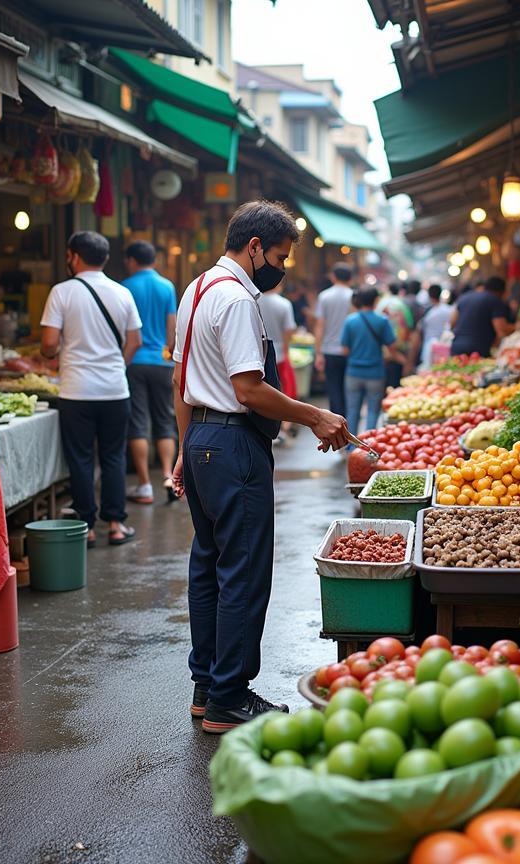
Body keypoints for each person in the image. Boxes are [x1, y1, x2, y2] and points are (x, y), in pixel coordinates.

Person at [171, 201, 347, 733]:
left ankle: (207, 688)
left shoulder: (195, 290)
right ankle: (229, 698)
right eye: (279, 256)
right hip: (233, 446)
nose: (282, 268)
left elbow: (181, 379)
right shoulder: (238, 300)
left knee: (208, 567)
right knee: (243, 572)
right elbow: (248, 389)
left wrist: (185, 448)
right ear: (253, 248)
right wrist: (314, 415)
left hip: (204, 438)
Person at [41, 232, 142, 548]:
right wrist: (116, 367)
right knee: (113, 457)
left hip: (76, 391)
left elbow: (48, 344)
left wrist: (53, 354)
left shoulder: (61, 292)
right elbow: (135, 341)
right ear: (106, 259)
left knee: (81, 459)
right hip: (115, 389)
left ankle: (86, 527)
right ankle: (115, 524)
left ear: (73, 256)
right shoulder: (122, 292)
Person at [121, 240, 178, 506]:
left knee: (139, 423)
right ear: (154, 260)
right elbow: (172, 328)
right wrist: (169, 353)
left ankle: (144, 485)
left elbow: (125, 330)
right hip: (161, 362)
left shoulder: (125, 287)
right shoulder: (167, 286)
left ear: (132, 261)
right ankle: (168, 476)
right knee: (165, 420)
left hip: (133, 361)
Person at [341, 286, 398, 436]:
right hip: (375, 373)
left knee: (353, 410)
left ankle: (351, 447)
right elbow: (392, 345)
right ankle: (368, 446)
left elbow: (345, 350)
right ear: (376, 300)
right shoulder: (382, 321)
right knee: (373, 410)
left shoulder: (350, 321)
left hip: (353, 372)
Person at [259, 279, 298, 440]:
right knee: (285, 390)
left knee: (262, 391)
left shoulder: (253, 300)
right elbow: (289, 330)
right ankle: (283, 427)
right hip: (280, 354)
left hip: (258, 354)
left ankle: (266, 425)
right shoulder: (284, 304)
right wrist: (286, 349)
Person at [313, 263, 354, 418]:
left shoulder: (324, 296)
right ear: (350, 278)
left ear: (333, 277)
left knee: (334, 389)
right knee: (348, 389)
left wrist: (318, 352)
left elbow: (320, 325)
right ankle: (349, 424)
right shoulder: (353, 295)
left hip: (329, 350)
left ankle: (337, 425)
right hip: (349, 350)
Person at [448, 277, 514, 357]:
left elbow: (452, 323)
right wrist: (516, 327)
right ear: (501, 291)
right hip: (478, 350)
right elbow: (501, 330)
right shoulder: (495, 300)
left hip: (457, 346)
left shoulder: (464, 297)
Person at [377, 282, 413, 389]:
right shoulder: (401, 305)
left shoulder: (380, 303)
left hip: (382, 347)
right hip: (398, 346)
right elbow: (408, 325)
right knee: (395, 380)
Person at [418, 284, 454, 369]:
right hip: (446, 347)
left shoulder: (428, 312)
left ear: (429, 295)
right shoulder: (449, 310)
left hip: (429, 348)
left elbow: (420, 329)